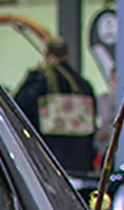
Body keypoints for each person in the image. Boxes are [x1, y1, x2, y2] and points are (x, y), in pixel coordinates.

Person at [13, 36, 97, 179]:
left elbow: (18, 106)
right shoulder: (83, 85)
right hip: (79, 159)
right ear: (68, 55)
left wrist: (32, 76)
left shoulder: (40, 82)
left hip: (49, 156)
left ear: (47, 55)